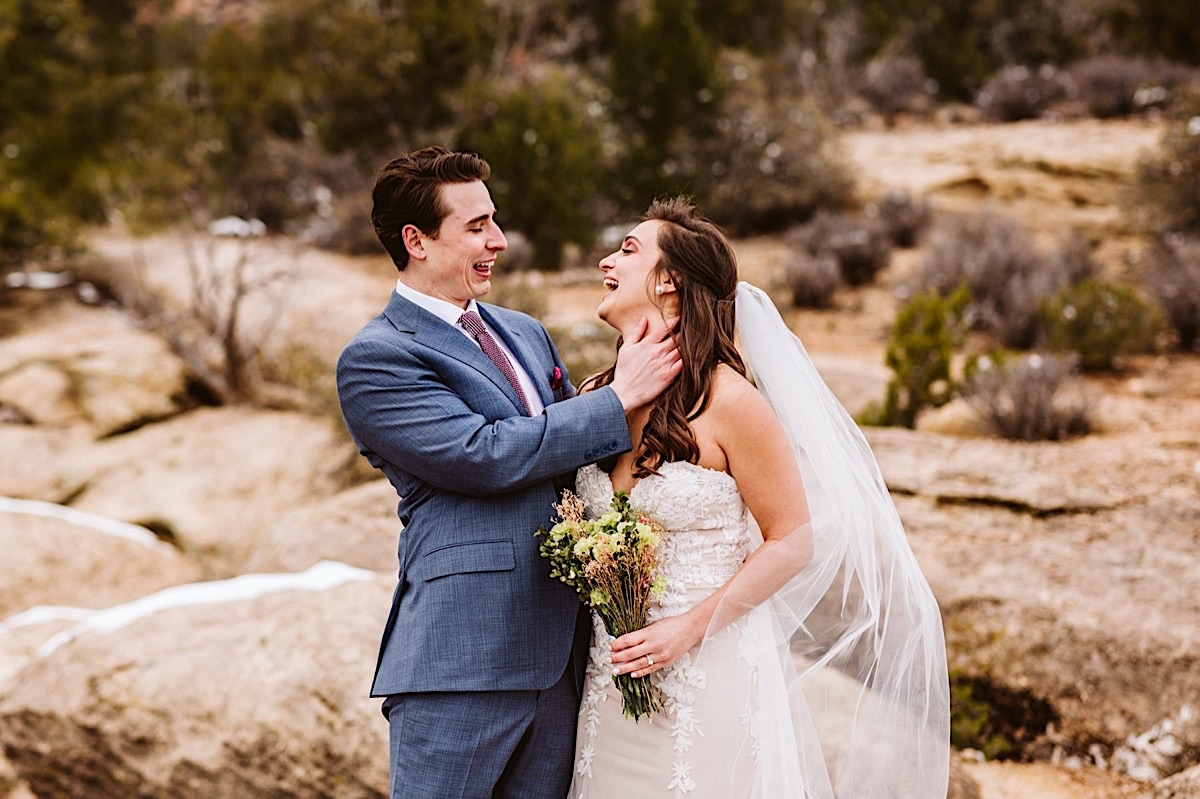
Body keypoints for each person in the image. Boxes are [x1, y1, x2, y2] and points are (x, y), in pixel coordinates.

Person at [567, 197, 950, 798]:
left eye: (629, 249)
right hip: (608, 683)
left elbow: (793, 539)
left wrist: (686, 630)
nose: (605, 260)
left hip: (704, 674)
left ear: (670, 281)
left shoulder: (733, 403)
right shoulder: (595, 395)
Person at [335, 147, 682, 799]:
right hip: (461, 657)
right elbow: (481, 453)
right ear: (416, 240)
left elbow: (570, 458)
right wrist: (612, 401)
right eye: (475, 227)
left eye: (494, 220)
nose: (497, 240)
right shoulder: (377, 357)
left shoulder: (523, 331)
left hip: (563, 658)